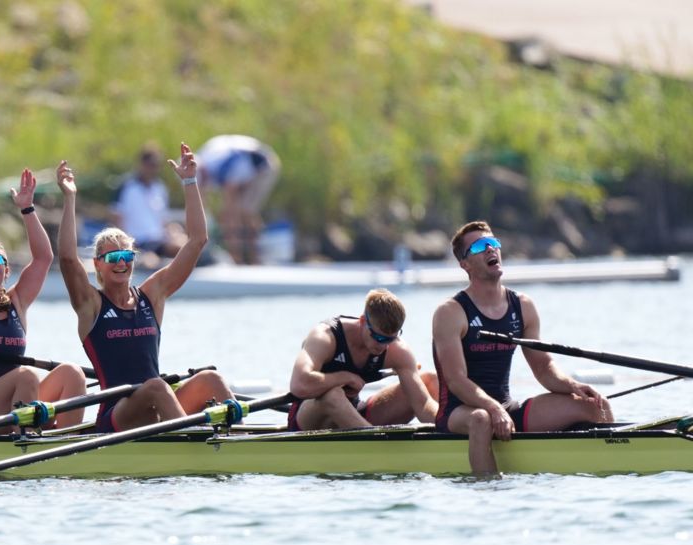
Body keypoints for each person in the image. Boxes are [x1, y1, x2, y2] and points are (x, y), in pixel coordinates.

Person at [57, 143, 236, 433]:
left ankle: (240, 443)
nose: (121, 263)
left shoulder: (152, 295)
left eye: (126, 256)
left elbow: (196, 241)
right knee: (156, 387)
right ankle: (190, 443)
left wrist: (190, 182)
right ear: (98, 265)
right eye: (112, 257)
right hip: (118, 415)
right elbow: (66, 259)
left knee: (211, 379)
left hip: (156, 406)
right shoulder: (91, 305)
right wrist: (69, 199)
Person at [431, 221, 614, 476]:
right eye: (481, 246)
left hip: (506, 408)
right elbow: (456, 380)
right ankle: (489, 488)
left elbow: (544, 367)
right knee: (481, 419)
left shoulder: (523, 306)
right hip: (458, 412)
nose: (491, 250)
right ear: (465, 264)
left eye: (494, 243)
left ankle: (607, 474)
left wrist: (572, 386)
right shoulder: (450, 312)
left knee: (596, 406)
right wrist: (493, 409)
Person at [0, 162, 87, 432]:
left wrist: (27, 209)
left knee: (72, 373)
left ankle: (66, 444)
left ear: (7, 271)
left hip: (14, 406)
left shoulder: (17, 303)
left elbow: (44, 258)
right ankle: (28, 441)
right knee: (25, 375)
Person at [288, 288, 438, 431]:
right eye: (378, 337)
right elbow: (299, 384)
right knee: (333, 395)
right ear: (362, 321)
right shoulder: (325, 337)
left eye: (390, 339)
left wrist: (451, 422)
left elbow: (423, 406)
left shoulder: (398, 351)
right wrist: (345, 377)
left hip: (355, 414)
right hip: (309, 419)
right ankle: (376, 444)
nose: (383, 346)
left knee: (430, 381)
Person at [196, 135, 280, 265]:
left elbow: (230, 207)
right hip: (248, 167)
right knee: (236, 213)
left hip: (264, 167)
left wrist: (227, 219)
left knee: (243, 211)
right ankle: (245, 257)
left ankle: (248, 258)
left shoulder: (220, 165)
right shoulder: (206, 160)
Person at [110, 142, 184, 262]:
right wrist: (126, 247)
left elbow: (163, 220)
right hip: (137, 242)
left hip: (159, 241)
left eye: (156, 165)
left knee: (185, 245)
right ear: (142, 164)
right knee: (152, 262)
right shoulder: (125, 187)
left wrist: (173, 232)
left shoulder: (160, 188)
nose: (153, 169)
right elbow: (116, 220)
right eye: (150, 164)